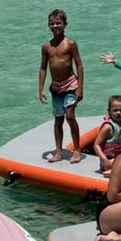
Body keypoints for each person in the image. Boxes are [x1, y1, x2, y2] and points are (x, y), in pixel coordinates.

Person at [38, 9, 85, 162]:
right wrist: (40, 89)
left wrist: (80, 87)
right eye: (52, 23)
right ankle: (58, 152)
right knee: (58, 119)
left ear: (65, 24)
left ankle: (77, 150)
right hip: (56, 87)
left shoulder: (70, 44)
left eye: (58, 23)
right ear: (48, 26)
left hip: (70, 84)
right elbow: (43, 67)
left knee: (70, 117)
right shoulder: (46, 47)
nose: (55, 26)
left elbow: (79, 64)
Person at [92, 93, 121, 171]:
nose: (118, 113)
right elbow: (96, 145)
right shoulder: (108, 127)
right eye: (115, 110)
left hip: (119, 158)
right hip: (108, 160)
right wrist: (104, 159)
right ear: (109, 111)